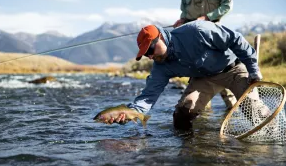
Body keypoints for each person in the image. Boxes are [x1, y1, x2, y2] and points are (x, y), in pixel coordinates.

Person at [105, 21, 263, 131]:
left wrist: (253, 68)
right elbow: (148, 97)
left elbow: (235, 39)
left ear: (160, 37)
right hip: (203, 79)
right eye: (146, 54)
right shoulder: (161, 66)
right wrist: (128, 114)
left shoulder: (197, 31)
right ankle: (190, 153)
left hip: (232, 69)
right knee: (182, 114)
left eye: (150, 50)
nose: (150, 57)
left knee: (254, 111)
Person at [173, 0, 236, 109]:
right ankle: (201, 110)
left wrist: (207, 18)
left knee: (222, 69)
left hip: (215, 33)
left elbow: (227, 5)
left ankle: (231, 110)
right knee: (198, 72)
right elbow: (184, 12)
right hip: (194, 38)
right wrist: (182, 21)